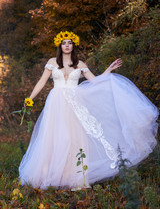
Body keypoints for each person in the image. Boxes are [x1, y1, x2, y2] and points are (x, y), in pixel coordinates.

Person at [19, 31, 159, 190]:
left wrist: (108, 70)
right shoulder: (52, 62)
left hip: (74, 105)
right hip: (56, 105)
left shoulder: (80, 64)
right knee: (54, 138)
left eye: (70, 43)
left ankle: (74, 177)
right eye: (64, 43)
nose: (67, 45)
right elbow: (41, 82)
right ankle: (47, 174)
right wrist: (29, 99)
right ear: (60, 45)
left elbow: (95, 82)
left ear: (73, 45)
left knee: (75, 139)